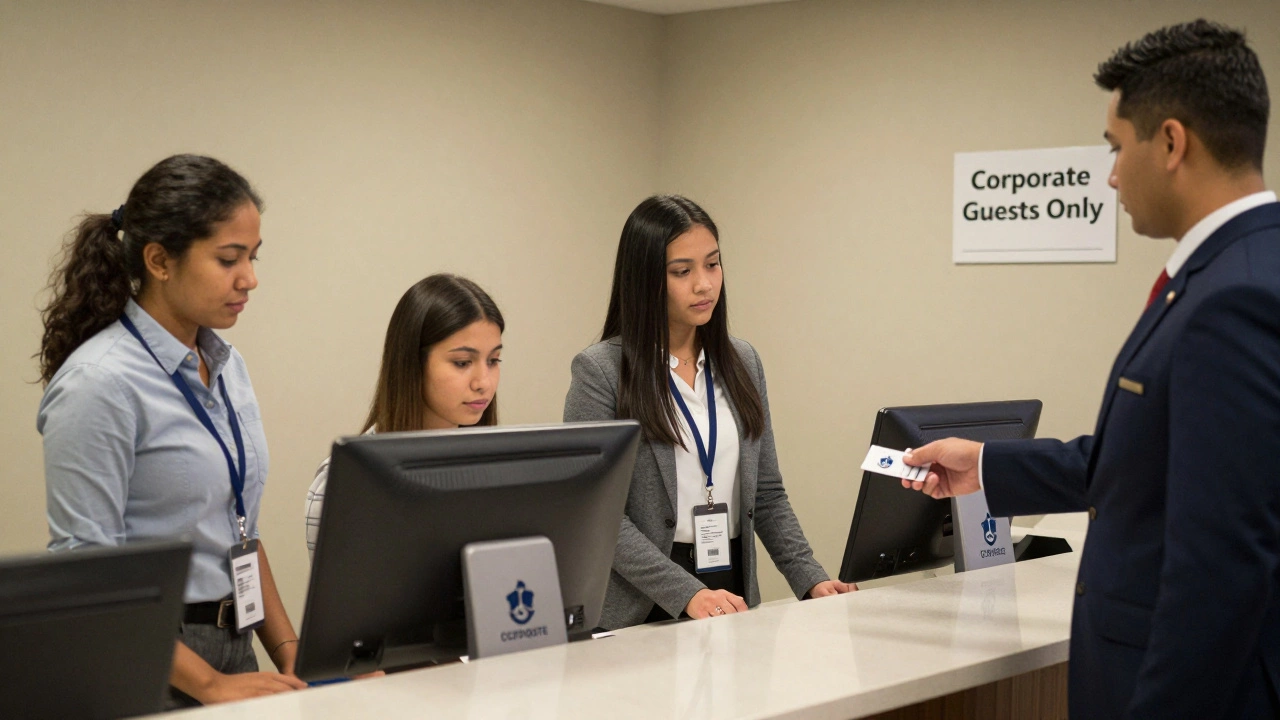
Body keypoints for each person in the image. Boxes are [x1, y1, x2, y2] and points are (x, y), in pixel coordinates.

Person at [901, 20, 1279, 720]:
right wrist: (985, 464)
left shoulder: (1236, 297)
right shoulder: (1236, 269)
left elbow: (1220, 570)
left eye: (1116, 148)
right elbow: (1150, 462)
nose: (1109, 175)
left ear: (1170, 142)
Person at [37, 155, 309, 707]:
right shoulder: (100, 382)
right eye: (229, 259)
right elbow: (88, 575)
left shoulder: (227, 365)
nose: (250, 279)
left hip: (237, 644)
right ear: (159, 260)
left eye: (253, 258)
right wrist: (209, 685)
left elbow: (239, 532)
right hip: (153, 659)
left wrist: (290, 649)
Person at [564, 194, 855, 630]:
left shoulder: (743, 361)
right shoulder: (601, 371)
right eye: (682, 271)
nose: (704, 284)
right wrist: (687, 592)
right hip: (643, 601)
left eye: (713, 264)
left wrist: (810, 579)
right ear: (645, 280)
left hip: (730, 583)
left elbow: (768, 494)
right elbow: (596, 513)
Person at [304, 274, 503, 560]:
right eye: (462, 363)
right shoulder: (346, 483)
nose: (483, 382)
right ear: (412, 363)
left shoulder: (496, 469)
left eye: (493, 360)